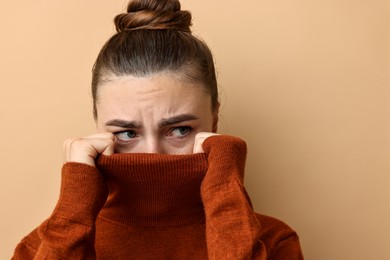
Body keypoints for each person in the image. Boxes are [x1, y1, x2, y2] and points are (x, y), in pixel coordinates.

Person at [13, 0, 304, 259]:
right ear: (97, 128)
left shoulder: (272, 243)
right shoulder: (44, 245)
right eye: (127, 133)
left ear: (214, 122)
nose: (153, 154)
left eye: (179, 130)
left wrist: (225, 190)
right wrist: (72, 212)